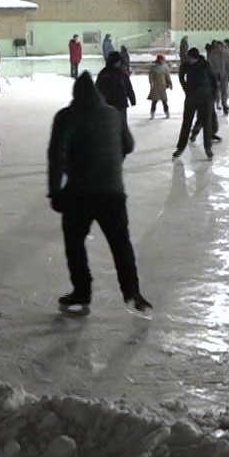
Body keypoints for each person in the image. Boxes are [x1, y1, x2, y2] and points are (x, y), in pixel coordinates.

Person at [45, 72, 148, 313]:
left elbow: (56, 157)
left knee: (75, 244)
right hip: (112, 192)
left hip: (79, 193)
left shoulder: (66, 117)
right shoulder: (112, 114)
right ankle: (131, 290)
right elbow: (129, 146)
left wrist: (54, 191)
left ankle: (82, 292)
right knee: (121, 243)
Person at [173, 48, 219, 159]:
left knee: (207, 123)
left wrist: (213, 95)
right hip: (192, 97)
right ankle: (180, 147)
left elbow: (214, 80)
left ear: (195, 58)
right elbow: (181, 76)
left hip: (206, 98)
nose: (188, 60)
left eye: (190, 58)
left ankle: (208, 148)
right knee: (186, 122)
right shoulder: (186, 65)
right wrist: (186, 88)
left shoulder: (206, 65)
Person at [146, 54, 173, 118]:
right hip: (156, 86)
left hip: (162, 87)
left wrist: (170, 83)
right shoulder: (154, 68)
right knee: (155, 101)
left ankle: (166, 113)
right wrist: (151, 84)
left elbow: (167, 77)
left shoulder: (164, 67)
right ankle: (153, 114)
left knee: (164, 101)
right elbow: (150, 77)